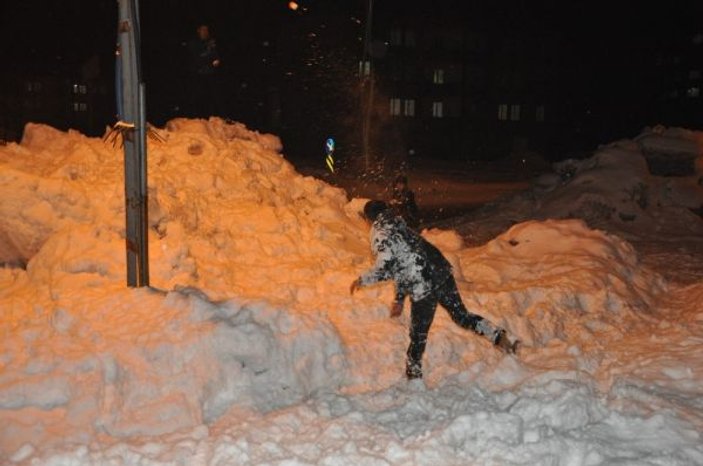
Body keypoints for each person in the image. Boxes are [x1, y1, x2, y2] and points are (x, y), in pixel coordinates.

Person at [350, 200, 517, 380]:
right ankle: (498, 336)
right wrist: (399, 299)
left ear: (370, 218)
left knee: (418, 334)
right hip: (442, 273)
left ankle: (414, 376)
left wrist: (363, 280)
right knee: (461, 316)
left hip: (424, 284)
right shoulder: (400, 225)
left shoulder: (381, 233)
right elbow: (404, 263)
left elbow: (387, 267)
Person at [185, 24, 222, 117]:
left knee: (213, 95)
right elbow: (197, 57)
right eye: (203, 30)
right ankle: (196, 116)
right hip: (197, 74)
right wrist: (208, 51)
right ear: (198, 31)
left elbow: (215, 54)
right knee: (197, 96)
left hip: (210, 73)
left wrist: (216, 59)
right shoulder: (194, 42)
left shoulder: (210, 41)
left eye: (206, 30)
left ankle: (212, 116)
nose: (205, 32)